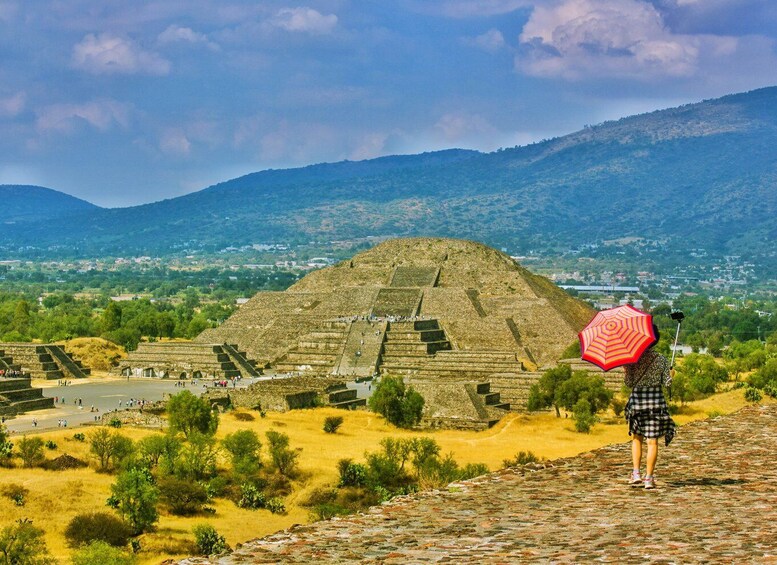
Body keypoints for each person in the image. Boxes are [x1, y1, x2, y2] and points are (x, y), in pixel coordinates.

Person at [623, 324, 676, 490]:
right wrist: (672, 374)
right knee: (652, 442)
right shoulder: (661, 360)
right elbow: (667, 383)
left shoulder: (632, 360)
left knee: (637, 439)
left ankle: (636, 473)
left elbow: (629, 383)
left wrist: (626, 370)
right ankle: (649, 478)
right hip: (655, 404)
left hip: (637, 403)